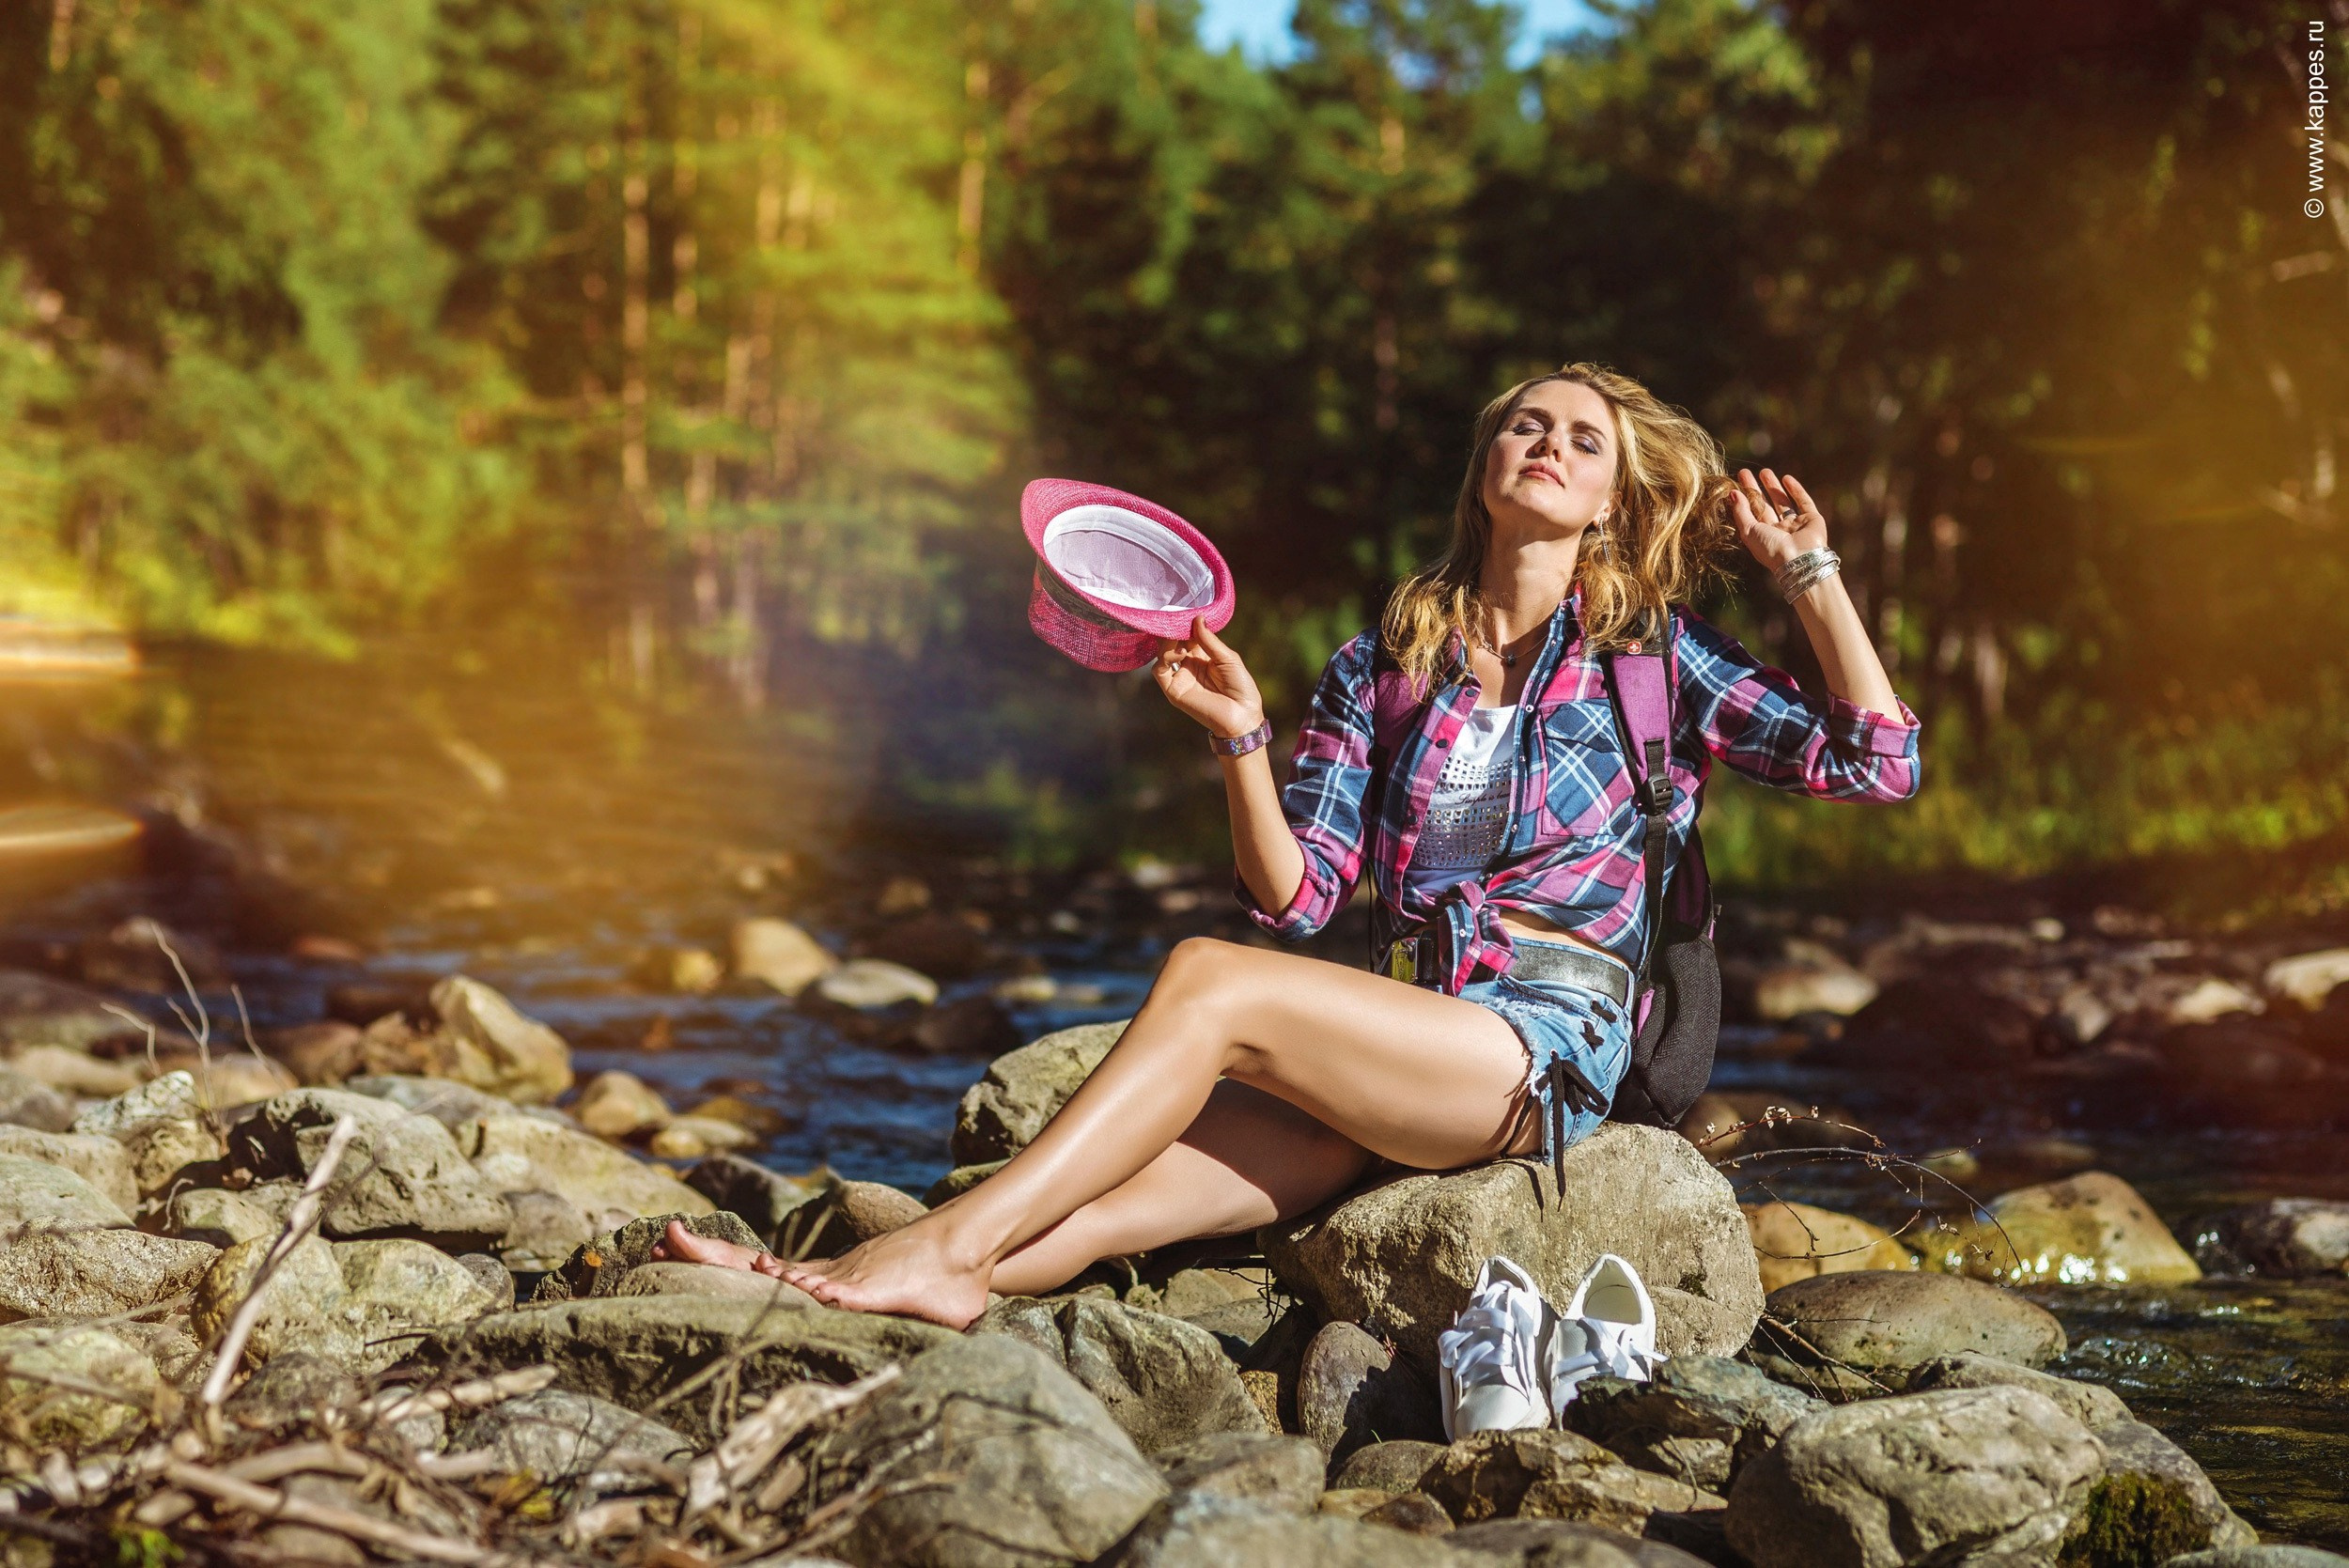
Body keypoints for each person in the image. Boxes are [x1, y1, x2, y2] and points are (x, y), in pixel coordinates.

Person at [656, 362, 1921, 1327]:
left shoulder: (1652, 654)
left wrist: (1811, 574)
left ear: (1607, 501)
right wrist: (1243, 738)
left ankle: (919, 1253)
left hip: (1535, 1052)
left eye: (1582, 440)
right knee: (1097, 1213)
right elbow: (1296, 894)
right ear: (1486, 467)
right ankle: (818, 1284)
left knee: (1206, 979)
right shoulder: (1388, 662)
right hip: (1394, 1046)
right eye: (1526, 425)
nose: (1548, 444)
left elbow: (1879, 761)